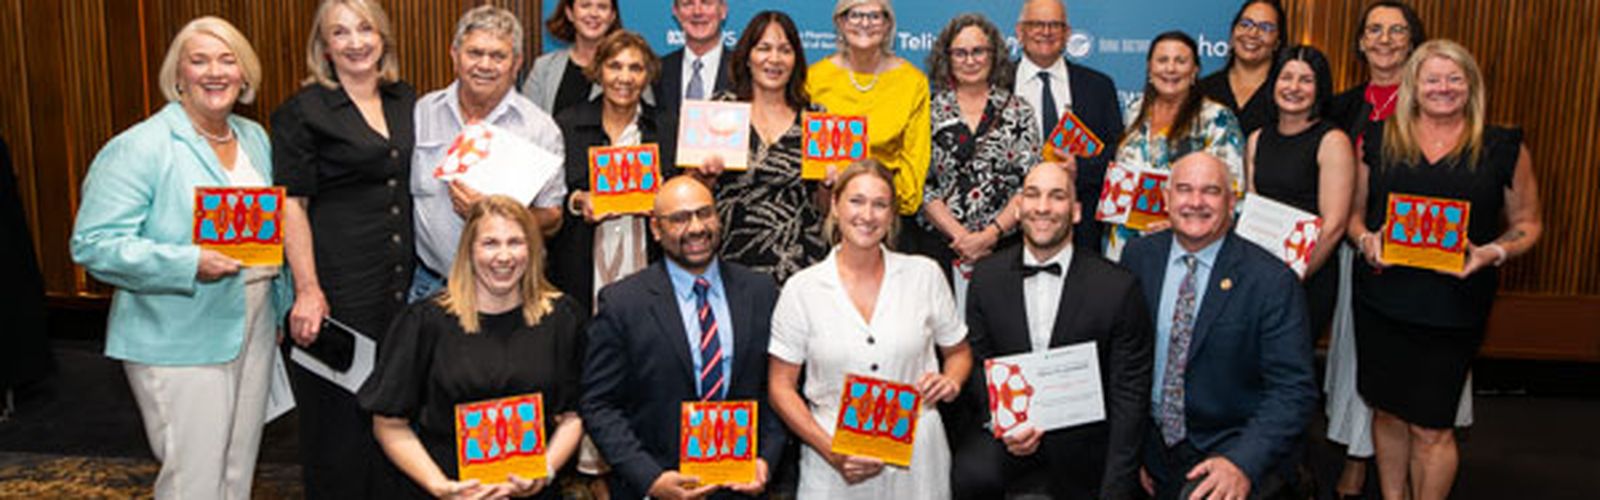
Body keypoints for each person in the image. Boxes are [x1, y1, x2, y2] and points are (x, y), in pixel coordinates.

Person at [69, 17, 287, 498]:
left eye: (227, 60)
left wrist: (281, 306)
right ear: (178, 75)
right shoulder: (140, 147)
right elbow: (94, 244)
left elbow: (272, 228)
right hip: (178, 333)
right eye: (199, 61)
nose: (215, 72)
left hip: (253, 324)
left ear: (245, 74)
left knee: (236, 472)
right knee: (194, 482)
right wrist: (189, 262)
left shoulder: (254, 138)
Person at [1347, 40, 1541, 500]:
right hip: (1382, 300)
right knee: (1387, 412)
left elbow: (1528, 223)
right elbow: (1355, 216)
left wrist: (1492, 253)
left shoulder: (1502, 147)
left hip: (1454, 307)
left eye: (1455, 78)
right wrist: (1366, 240)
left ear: (1471, 86)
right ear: (1413, 85)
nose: (1443, 88)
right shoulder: (1378, 138)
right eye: (1432, 79)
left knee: (1432, 427)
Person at [269, 2, 415, 496]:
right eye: (340, 32)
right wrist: (307, 289)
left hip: (400, 291)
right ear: (324, 47)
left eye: (365, 28)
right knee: (338, 431)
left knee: (393, 420)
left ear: (382, 36)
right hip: (337, 292)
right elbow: (292, 205)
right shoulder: (302, 111)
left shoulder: (405, 99)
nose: (355, 42)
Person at [768, 159, 973, 499]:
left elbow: (959, 353)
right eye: (856, 201)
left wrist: (951, 380)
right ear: (835, 205)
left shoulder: (925, 275)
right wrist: (831, 451)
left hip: (918, 456)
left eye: (880, 204)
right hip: (833, 457)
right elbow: (780, 387)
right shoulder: (802, 289)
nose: (868, 215)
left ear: (892, 215)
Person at [360, 195, 586, 500]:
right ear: (469, 250)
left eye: (515, 242)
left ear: (532, 249)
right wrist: (439, 486)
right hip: (448, 490)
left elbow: (575, 414)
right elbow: (388, 424)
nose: (504, 256)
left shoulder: (562, 318)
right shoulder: (425, 322)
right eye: (490, 243)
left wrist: (544, 473)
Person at [1121, 152, 1317, 500]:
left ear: (1231, 203)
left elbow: (1293, 391)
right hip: (1152, 447)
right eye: (1184, 189)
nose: (1196, 202)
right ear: (1166, 198)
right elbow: (1126, 362)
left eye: (1210, 191)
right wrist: (1130, 448)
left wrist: (1241, 462)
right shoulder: (1139, 257)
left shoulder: (1271, 281)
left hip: (1231, 444)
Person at [951, 162, 1152, 500]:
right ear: (1018, 208)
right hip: (1009, 435)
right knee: (969, 474)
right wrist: (1006, 423)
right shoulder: (986, 278)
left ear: (1076, 211)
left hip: (1085, 441)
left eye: (1057, 196)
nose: (1042, 207)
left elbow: (1129, 394)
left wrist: (1117, 487)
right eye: (1033, 195)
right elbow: (980, 364)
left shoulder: (1117, 287)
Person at [580, 176, 784, 499]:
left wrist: (766, 460)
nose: (696, 228)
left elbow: (778, 389)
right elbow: (599, 404)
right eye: (679, 218)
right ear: (656, 229)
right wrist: (649, 479)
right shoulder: (622, 303)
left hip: (741, 486)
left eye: (705, 213)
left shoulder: (760, 291)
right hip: (657, 484)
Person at [1318, 5, 1443, 497]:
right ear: (1360, 42)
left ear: (1413, 41)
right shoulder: (1341, 107)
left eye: (1397, 30)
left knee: (1416, 374)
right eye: (1374, 30)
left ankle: (1420, 462)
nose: (1385, 39)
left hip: (1423, 258)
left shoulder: (1435, 98)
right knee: (1358, 361)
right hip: (1356, 246)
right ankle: (1356, 457)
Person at [412, 5, 566, 302]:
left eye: (498, 56)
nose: (485, 65)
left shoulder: (540, 130)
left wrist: (492, 214)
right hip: (430, 286)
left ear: (516, 63)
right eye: (475, 53)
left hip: (508, 292)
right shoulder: (422, 112)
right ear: (454, 55)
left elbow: (552, 218)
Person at [548, 29, 679, 314]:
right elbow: (550, 197)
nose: (625, 78)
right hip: (583, 269)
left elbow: (682, 197)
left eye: (636, 68)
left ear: (647, 76)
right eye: (615, 66)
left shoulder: (667, 127)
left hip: (647, 263)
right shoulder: (568, 124)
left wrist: (666, 195)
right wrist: (578, 201)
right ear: (599, 71)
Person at [700, 11, 830, 283]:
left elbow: (826, 209)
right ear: (747, 57)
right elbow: (693, 194)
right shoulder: (720, 110)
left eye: (785, 50)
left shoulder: (816, 119)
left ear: (796, 60)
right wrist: (705, 177)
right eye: (764, 48)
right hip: (731, 262)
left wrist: (828, 184)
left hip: (800, 265)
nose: (774, 59)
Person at [914, 13, 1039, 279]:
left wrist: (989, 235)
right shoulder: (928, 111)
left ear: (994, 55)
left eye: (978, 51)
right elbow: (922, 185)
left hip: (1004, 247)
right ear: (947, 58)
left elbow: (1029, 184)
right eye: (960, 53)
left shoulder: (1019, 111)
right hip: (941, 247)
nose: (970, 61)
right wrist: (961, 237)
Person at [1243, 45, 1353, 337]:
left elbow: (1334, 225)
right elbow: (1252, 210)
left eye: (1306, 80)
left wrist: (1290, 278)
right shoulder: (1257, 139)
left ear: (1320, 89)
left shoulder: (1333, 141)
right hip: (1259, 276)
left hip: (1308, 277)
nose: (1293, 87)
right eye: (1286, 77)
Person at [1109, 31, 1244, 261]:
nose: (1170, 69)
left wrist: (1180, 223)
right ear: (1150, 68)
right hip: (1125, 245)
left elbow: (1234, 191)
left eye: (1180, 61)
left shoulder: (1216, 118)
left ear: (1194, 71)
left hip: (1185, 245)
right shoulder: (1135, 111)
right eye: (1162, 60)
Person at [806, 0, 932, 242]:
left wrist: (880, 208)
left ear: (887, 24)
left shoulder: (912, 82)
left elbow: (914, 161)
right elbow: (809, 159)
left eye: (874, 16)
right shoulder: (814, 79)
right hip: (828, 218)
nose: (865, 23)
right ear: (841, 22)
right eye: (855, 15)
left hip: (889, 219)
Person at [1013, 0, 1124, 253]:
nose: (1046, 32)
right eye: (1037, 24)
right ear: (1020, 32)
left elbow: (1118, 154)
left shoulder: (1098, 86)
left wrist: (1080, 168)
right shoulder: (996, 84)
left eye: (1055, 25)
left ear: (1067, 33)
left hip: (1080, 232)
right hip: (1010, 231)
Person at [1198, 0, 1286, 137]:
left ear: (1277, 42)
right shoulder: (1203, 90)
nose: (1252, 33)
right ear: (1233, 34)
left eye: (1265, 28)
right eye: (1245, 24)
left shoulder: (1286, 93)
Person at [523, 0, 622, 116]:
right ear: (569, 13)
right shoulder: (544, 68)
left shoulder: (627, 68)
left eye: (602, 7)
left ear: (612, 16)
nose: (594, 13)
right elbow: (525, 121)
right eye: (585, 5)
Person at [655, 0, 731, 113]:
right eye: (688, 4)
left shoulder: (743, 70)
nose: (697, 12)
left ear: (723, 10)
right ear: (676, 12)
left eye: (706, 3)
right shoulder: (657, 71)